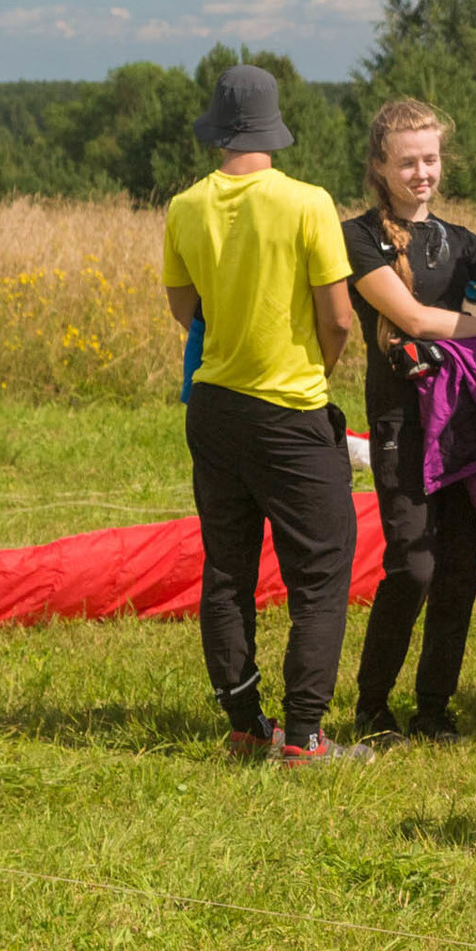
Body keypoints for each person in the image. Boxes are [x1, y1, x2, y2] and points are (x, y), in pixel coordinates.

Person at [162, 65, 367, 766]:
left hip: (214, 405)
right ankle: (306, 733)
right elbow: (338, 315)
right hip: (290, 405)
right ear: (275, 126)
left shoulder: (184, 206)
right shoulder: (308, 203)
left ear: (217, 130)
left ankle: (246, 723)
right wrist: (317, 363)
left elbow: (184, 310)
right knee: (321, 568)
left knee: (227, 568)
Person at [343, 99, 476, 747]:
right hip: (401, 421)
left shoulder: (465, 241)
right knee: (413, 564)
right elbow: (418, 320)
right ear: (379, 165)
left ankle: (434, 709)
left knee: (458, 567)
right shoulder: (358, 236)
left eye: (432, 158)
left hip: (465, 424)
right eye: (408, 161)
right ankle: (371, 705)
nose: (423, 172)